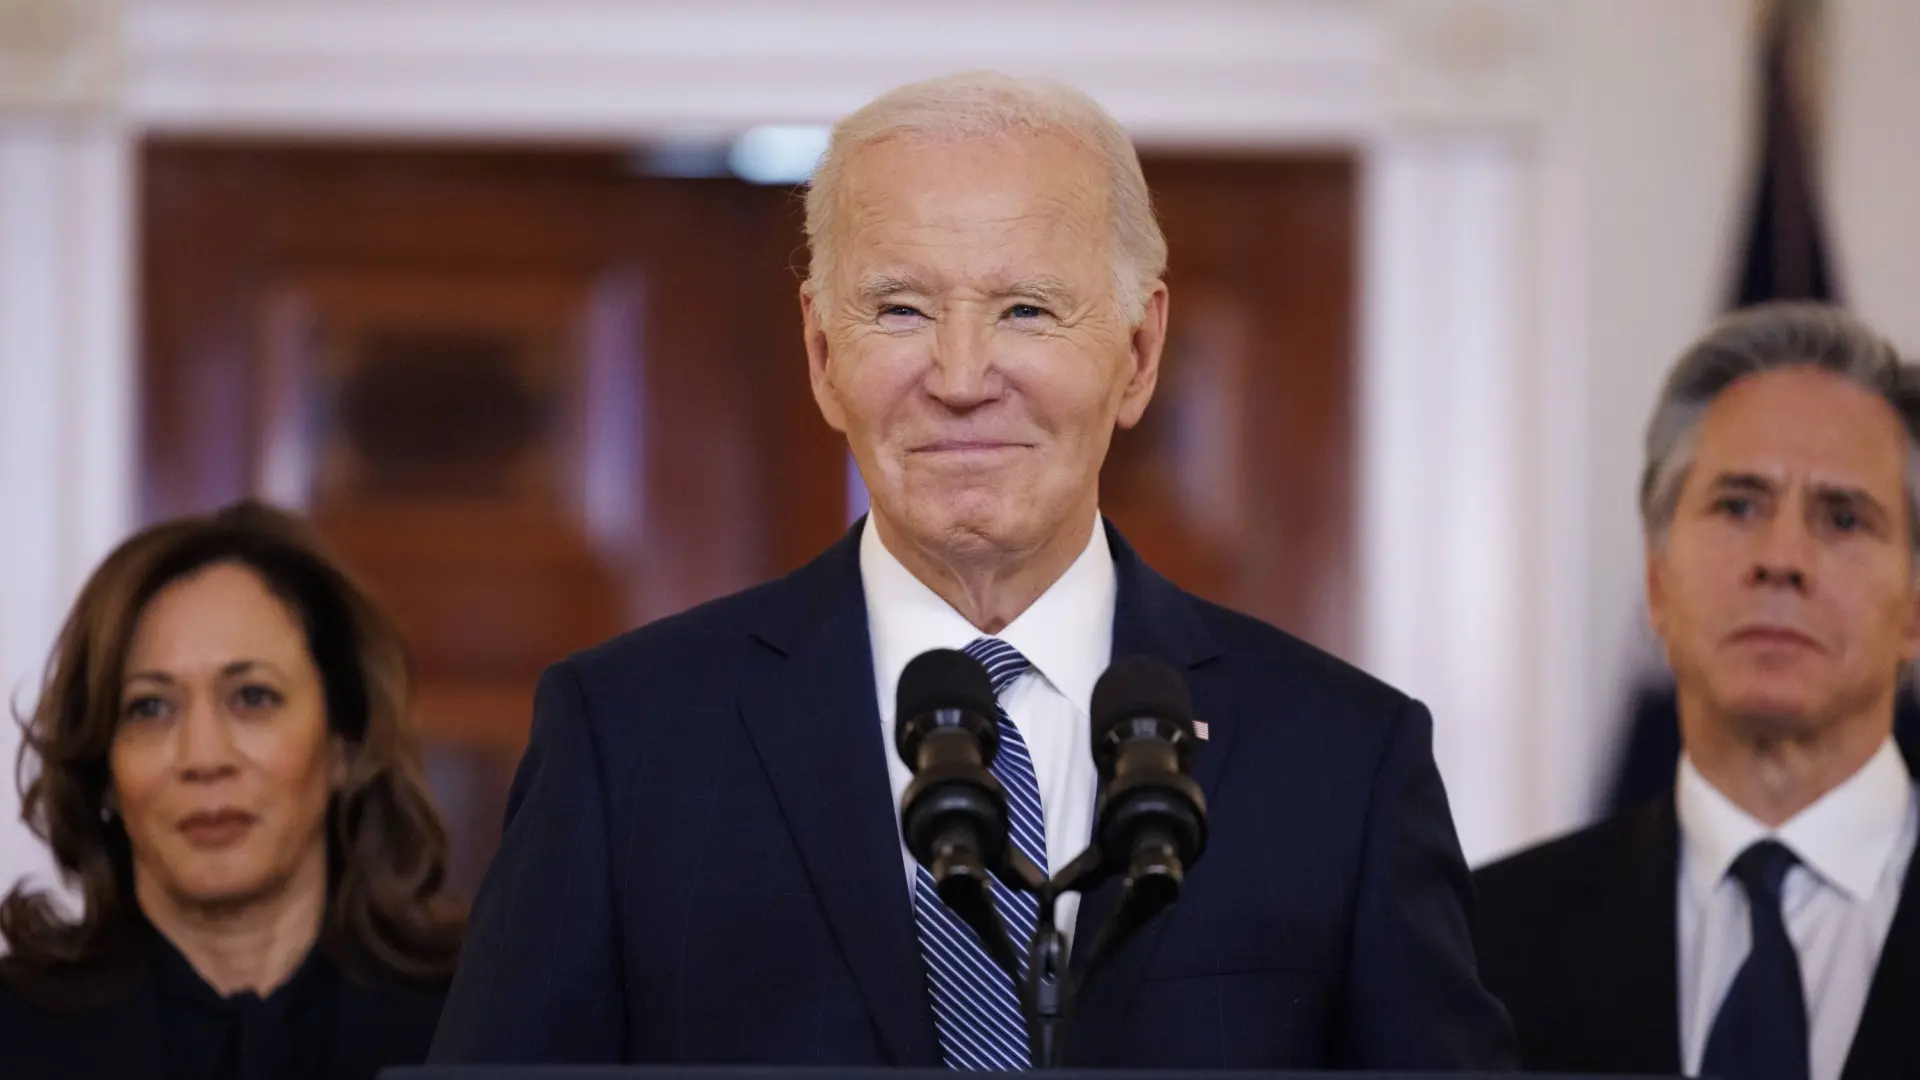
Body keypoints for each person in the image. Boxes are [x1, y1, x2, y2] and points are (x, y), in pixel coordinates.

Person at [432, 71, 1514, 1070]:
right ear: (822, 354)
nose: (958, 377)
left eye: (1026, 310)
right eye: (900, 308)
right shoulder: (626, 738)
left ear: (1137, 354)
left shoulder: (1343, 758)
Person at [1474, 303, 1920, 1080]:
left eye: (1843, 518)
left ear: (1915, 605)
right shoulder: (1486, 938)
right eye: (1738, 505)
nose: (1782, 558)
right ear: (1656, 580)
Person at [0, 501, 465, 1079]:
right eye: (150, 708)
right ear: (105, 774)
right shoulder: (15, 1036)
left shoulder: (468, 1026)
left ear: (345, 744)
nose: (204, 757)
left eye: (252, 697)